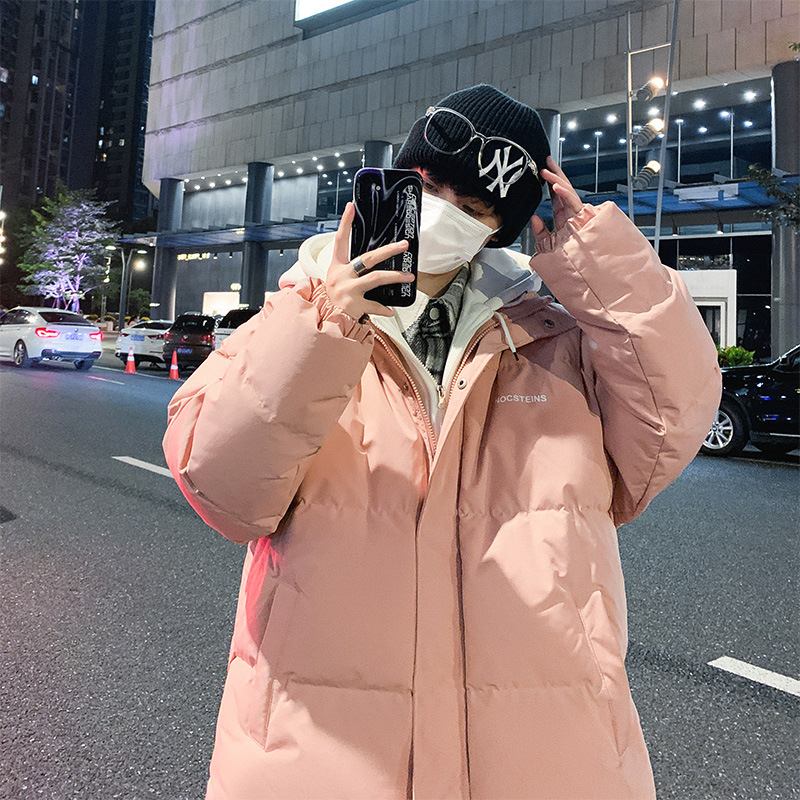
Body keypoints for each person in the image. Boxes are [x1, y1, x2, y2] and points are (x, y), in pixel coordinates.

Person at [163, 84, 721, 799]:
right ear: (392, 182)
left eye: (476, 206)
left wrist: (596, 258)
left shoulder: (557, 349)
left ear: (500, 230)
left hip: (544, 752)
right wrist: (324, 327)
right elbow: (223, 488)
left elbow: (674, 421)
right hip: (320, 751)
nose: (443, 211)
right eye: (427, 185)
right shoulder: (299, 319)